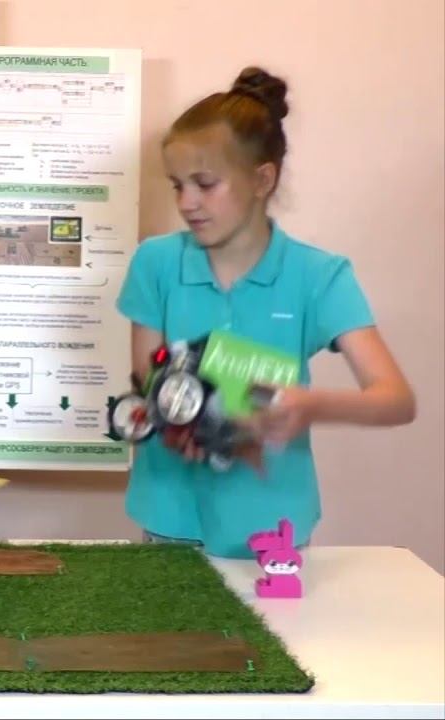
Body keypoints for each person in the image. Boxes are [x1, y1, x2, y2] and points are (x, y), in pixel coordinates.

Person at [115, 67, 415, 558]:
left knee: (272, 614)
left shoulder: (319, 276)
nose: (187, 203)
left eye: (205, 184)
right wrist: (176, 423)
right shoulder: (156, 263)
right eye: (177, 185)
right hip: (170, 518)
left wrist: (309, 406)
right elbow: (149, 379)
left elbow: (396, 399)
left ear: (262, 179)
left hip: (274, 526)